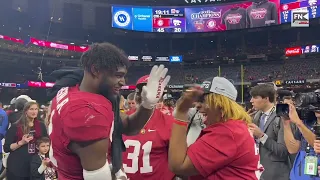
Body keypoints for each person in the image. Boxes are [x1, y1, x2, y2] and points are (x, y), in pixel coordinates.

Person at [49, 43, 170, 180]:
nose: (122, 82)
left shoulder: (75, 90)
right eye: (118, 75)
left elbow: (128, 126)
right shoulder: (87, 111)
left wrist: (147, 105)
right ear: (96, 70)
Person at [169, 77, 262, 179]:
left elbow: (179, 167)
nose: (197, 106)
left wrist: (181, 113)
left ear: (221, 104)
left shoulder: (226, 131)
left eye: (203, 100)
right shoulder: (234, 126)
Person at [122, 75, 176, 180]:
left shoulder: (169, 122)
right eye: (143, 92)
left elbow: (176, 161)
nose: (146, 96)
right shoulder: (123, 119)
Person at [249, 83, 290, 180]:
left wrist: (261, 136)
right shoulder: (257, 115)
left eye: (255, 97)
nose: (251, 101)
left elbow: (282, 151)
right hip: (259, 173)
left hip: (276, 175)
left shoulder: (282, 117)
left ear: (266, 99)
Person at [4, 101, 48, 180]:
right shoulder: (16, 126)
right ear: (25, 111)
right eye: (31, 109)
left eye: (36, 109)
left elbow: (46, 143)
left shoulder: (41, 126)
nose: (34, 111)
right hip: (17, 166)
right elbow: (6, 148)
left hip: (35, 165)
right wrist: (21, 142)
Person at [282, 102, 320, 180]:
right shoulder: (308, 123)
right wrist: (286, 124)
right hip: (298, 176)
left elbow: (315, 143)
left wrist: (298, 123)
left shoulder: (301, 124)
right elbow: (292, 149)